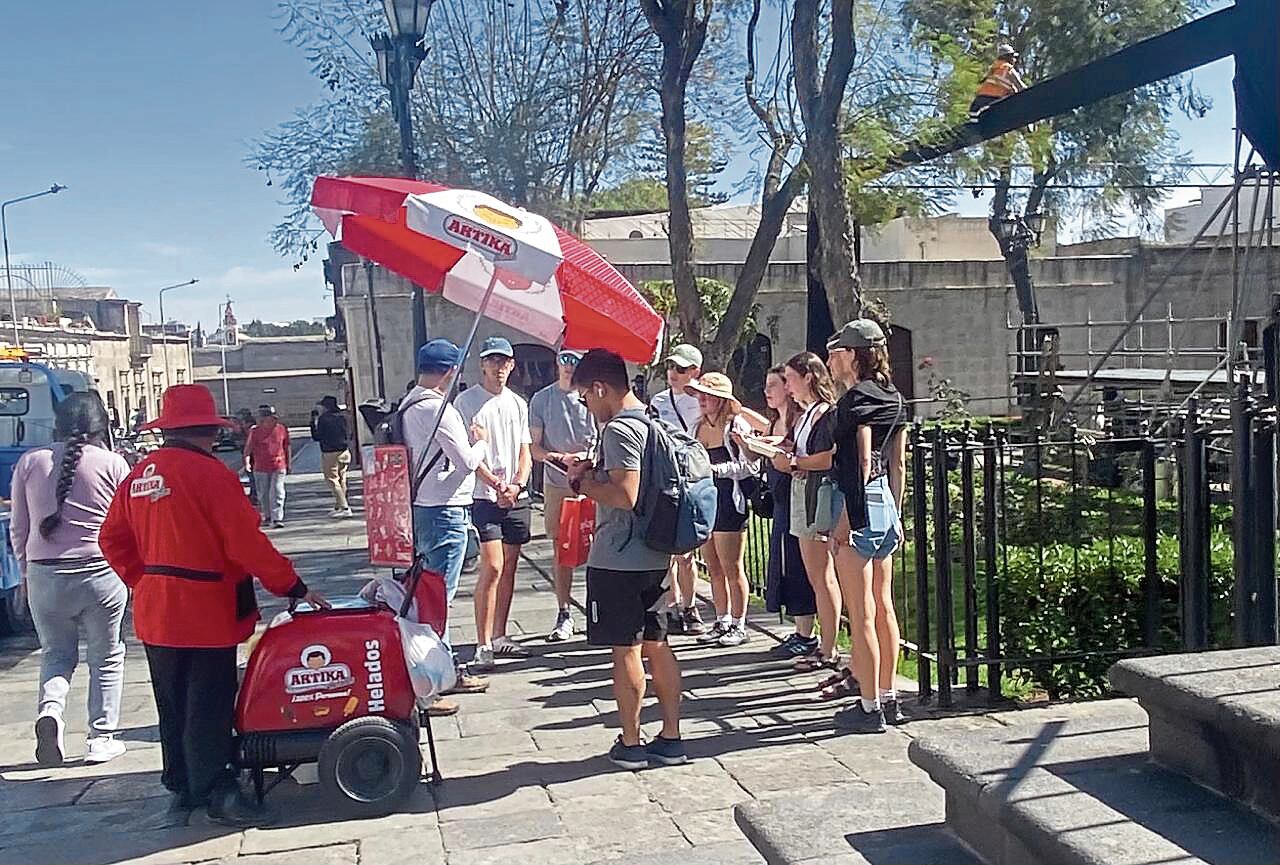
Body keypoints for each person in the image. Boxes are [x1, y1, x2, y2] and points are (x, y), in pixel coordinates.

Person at [99, 385, 329, 826]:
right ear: (207, 430)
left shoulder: (140, 474)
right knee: (208, 702)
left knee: (173, 701)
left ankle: (182, 783)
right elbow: (246, 544)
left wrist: (143, 579)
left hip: (155, 609)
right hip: (204, 609)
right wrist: (294, 587)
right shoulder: (211, 476)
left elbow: (110, 538)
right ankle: (217, 789)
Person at [565, 349, 685, 769]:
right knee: (658, 643)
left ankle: (631, 743)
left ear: (601, 388)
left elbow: (625, 495)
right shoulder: (653, 421)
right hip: (655, 553)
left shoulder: (619, 430)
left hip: (619, 557)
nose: (586, 405)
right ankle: (671, 737)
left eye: (585, 396)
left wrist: (582, 483)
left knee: (626, 650)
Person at [10, 392, 131, 766]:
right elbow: (130, 527)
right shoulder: (114, 464)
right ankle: (101, 737)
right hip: (101, 572)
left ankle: (51, 711)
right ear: (101, 427)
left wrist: (26, 572)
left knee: (56, 654)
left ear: (57, 425)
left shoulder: (30, 462)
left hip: (45, 574)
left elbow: (19, 528)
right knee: (107, 656)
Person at [826, 320, 908, 734]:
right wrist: (897, 512)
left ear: (854, 355)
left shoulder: (854, 402)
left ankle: (869, 705)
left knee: (860, 615)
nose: (831, 361)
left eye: (836, 353)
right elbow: (898, 464)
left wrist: (845, 521)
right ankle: (890, 698)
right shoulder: (894, 398)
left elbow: (860, 463)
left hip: (858, 506)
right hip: (886, 506)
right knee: (883, 607)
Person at [402, 339, 492, 713]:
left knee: (431, 593)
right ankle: (429, 681)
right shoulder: (440, 409)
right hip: (446, 510)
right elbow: (467, 461)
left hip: (423, 506)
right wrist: (481, 442)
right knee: (440, 599)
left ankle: (447, 670)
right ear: (450, 371)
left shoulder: (409, 404)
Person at [455, 336, 533, 670]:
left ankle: (500, 634)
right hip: (483, 494)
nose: (498, 368)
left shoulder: (518, 403)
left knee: (510, 566)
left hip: (516, 494)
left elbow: (524, 449)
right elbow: (468, 455)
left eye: (504, 362)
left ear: (511, 365)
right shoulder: (466, 402)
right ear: (482, 365)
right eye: (493, 362)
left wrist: (517, 483)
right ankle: (483, 641)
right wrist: (497, 484)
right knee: (493, 566)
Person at [775, 352, 845, 675]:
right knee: (814, 574)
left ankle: (829, 648)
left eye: (790, 378)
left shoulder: (825, 414)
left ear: (808, 378)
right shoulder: (805, 414)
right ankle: (825, 644)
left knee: (822, 574)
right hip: (802, 493)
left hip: (817, 494)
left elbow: (827, 458)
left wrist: (793, 463)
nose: (787, 386)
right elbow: (799, 450)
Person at [529, 349, 597, 642]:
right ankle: (564, 610)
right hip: (557, 482)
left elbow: (601, 437)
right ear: (557, 362)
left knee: (598, 545)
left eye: (575, 361)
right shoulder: (542, 399)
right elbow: (533, 447)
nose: (569, 366)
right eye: (564, 360)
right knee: (562, 548)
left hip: (591, 480)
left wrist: (586, 457)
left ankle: (598, 608)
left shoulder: (591, 396)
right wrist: (556, 458)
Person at [688, 372, 759, 648]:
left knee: (732, 566)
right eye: (699, 395)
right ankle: (722, 619)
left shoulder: (735, 426)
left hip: (731, 500)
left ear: (721, 400)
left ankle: (740, 624)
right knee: (713, 565)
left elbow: (750, 465)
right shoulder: (698, 426)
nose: (702, 400)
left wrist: (719, 470)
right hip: (707, 502)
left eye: (708, 395)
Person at [756, 366, 819, 660]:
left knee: (799, 566)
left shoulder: (799, 419)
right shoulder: (773, 421)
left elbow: (796, 456)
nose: (768, 391)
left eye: (775, 385)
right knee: (786, 564)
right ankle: (800, 629)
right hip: (781, 499)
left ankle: (809, 634)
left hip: (797, 498)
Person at [647, 343, 705, 635]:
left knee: (687, 551)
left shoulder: (702, 401)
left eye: (681, 369)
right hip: (666, 476)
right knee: (667, 548)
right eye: (671, 367)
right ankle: (672, 602)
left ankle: (690, 605)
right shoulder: (659, 400)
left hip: (692, 476)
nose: (673, 374)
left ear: (695, 372)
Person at [244, 405, 290, 528]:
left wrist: (289, 463)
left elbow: (286, 446)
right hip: (260, 467)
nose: (274, 421)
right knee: (263, 493)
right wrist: (247, 462)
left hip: (279, 465)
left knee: (277, 491)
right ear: (263, 419)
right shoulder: (255, 431)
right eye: (270, 419)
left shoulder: (281, 429)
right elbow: (248, 449)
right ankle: (268, 515)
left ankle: (277, 518)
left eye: (275, 418)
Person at [310, 395, 352, 517]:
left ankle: (344, 507)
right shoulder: (343, 417)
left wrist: (313, 422)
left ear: (326, 407)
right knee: (341, 478)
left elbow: (317, 437)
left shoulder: (324, 419)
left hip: (330, 452)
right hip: (344, 451)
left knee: (332, 480)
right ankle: (339, 505)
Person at [969, 43, 1026, 118]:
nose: (1014, 60)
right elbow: (1021, 87)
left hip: (976, 104)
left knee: (975, 122)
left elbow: (1005, 86)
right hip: (992, 102)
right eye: (1013, 57)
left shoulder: (993, 69)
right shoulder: (1008, 68)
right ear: (1008, 57)